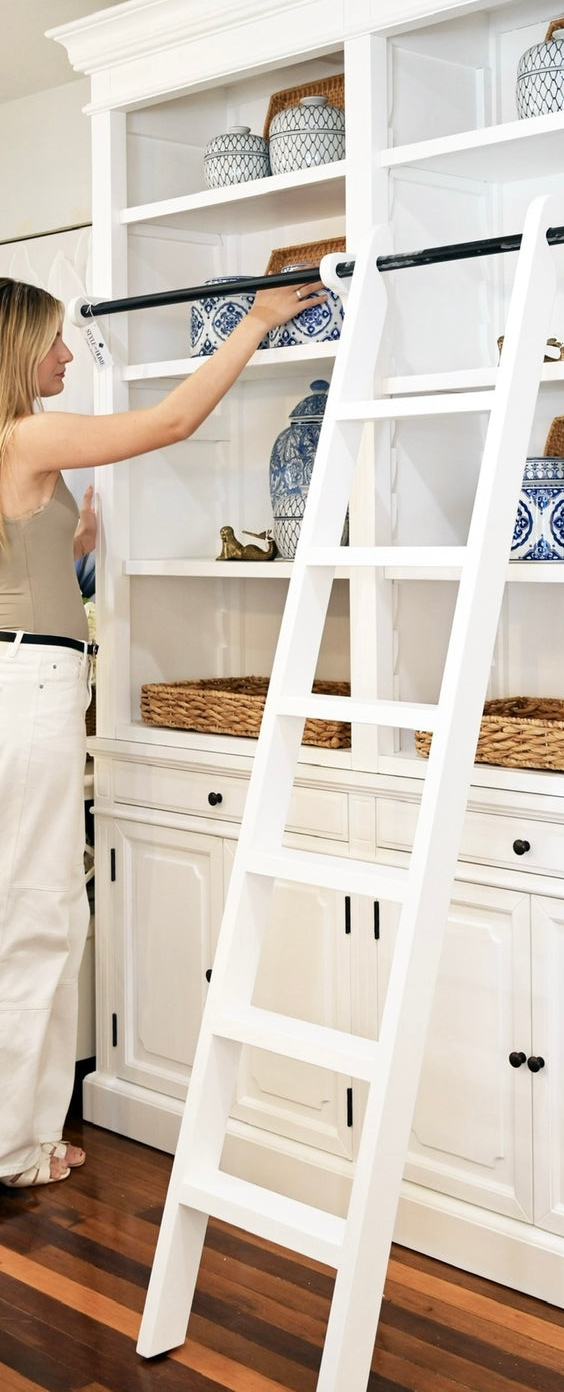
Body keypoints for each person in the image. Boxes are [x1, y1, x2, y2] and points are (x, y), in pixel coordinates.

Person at [0, 273, 323, 1188]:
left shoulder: (20, 447)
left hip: (20, 674)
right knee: (38, 914)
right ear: (17, 350)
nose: (67, 355)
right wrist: (256, 323)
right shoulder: (28, 432)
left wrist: (74, 541)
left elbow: (31, 559)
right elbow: (174, 422)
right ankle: (17, 1148)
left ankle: (17, 1131)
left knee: (32, 909)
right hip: (28, 684)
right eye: (55, 341)